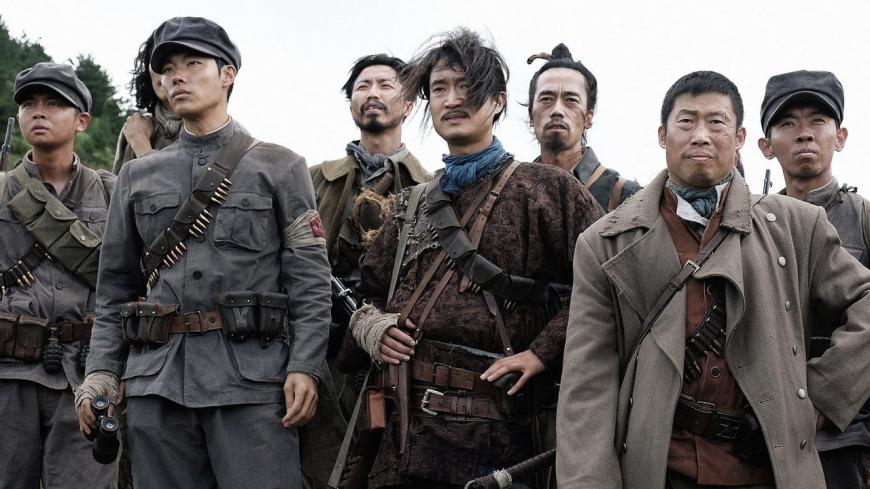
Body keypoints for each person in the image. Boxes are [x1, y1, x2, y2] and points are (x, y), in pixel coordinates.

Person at [557, 70, 870, 489]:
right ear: (663, 135)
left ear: (739, 138)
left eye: (717, 123)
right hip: (658, 470)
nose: (701, 136)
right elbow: (587, 386)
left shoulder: (797, 226)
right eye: (686, 122)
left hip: (771, 471)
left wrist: (823, 396)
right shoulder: (604, 243)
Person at [75, 17, 331, 489]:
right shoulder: (137, 176)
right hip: (157, 386)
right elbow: (114, 290)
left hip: (252, 385)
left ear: (228, 73)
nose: (178, 76)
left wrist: (305, 366)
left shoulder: (281, 167)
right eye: (168, 68)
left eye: (193, 63)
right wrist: (101, 374)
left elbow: (310, 283)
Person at [347, 28, 602, 488]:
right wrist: (373, 328)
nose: (452, 100)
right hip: (404, 437)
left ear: (499, 101)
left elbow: (605, 286)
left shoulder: (550, 190)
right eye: (439, 89)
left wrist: (542, 352)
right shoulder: (408, 206)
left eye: (467, 87)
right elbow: (365, 293)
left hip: (500, 438)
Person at [303, 53, 431, 488]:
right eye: (362, 86)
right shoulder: (313, 180)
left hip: (398, 351)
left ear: (409, 103)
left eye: (385, 85)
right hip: (321, 351)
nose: (372, 93)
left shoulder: (432, 187)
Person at [0, 61, 117, 489]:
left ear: (81, 121)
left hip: (86, 375)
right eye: (28, 104)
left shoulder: (112, 191)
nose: (38, 111)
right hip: (8, 374)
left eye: (53, 103)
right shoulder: (2, 189)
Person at [757, 69, 870, 488]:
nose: (804, 133)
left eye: (818, 121)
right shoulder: (752, 224)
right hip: (765, 438)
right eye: (787, 123)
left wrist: (823, 396)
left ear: (840, 137)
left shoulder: (864, 218)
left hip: (845, 437)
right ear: (766, 146)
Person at [527, 43, 639, 213]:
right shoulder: (511, 190)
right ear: (531, 115)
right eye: (546, 99)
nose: (557, 110)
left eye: (571, 100)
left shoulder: (627, 196)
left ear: (588, 117)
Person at [112, 31, 182, 174]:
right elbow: (119, 184)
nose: (170, 75)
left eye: (189, 63)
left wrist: (142, 148)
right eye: (161, 65)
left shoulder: (213, 127)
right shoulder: (134, 127)